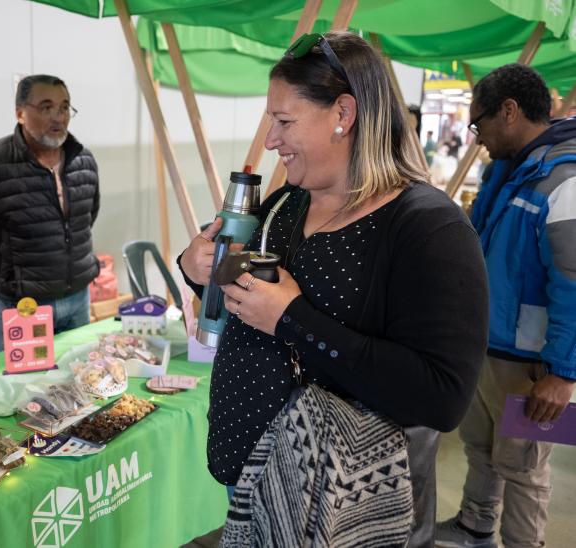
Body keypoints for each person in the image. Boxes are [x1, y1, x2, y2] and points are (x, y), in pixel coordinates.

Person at [178, 32, 489, 547]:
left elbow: (441, 398)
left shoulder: (428, 228)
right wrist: (197, 268)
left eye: (284, 121)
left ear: (343, 113)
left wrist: (292, 318)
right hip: (255, 487)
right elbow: (242, 294)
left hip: (342, 509)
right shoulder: (284, 204)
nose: (272, 140)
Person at [435, 64, 576, 548]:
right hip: (488, 344)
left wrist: (563, 373)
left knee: (523, 467)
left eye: (479, 124)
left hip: (530, 362)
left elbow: (574, 281)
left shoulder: (564, 179)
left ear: (509, 112)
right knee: (481, 446)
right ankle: (476, 524)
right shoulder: (508, 173)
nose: (477, 137)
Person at [0, 75, 99, 353]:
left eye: (64, 107)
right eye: (46, 107)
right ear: (20, 113)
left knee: (82, 384)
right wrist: (8, 271)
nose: (57, 117)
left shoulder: (83, 160)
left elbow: (85, 220)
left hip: (78, 300)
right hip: (23, 306)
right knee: (20, 391)